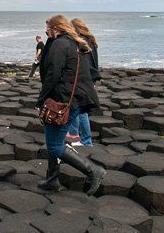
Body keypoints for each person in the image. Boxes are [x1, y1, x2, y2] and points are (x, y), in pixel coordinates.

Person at [36, 14, 105, 194]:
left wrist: (41, 100)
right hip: (74, 97)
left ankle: (94, 170)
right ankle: (52, 180)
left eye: (47, 30)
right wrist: (50, 38)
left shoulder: (61, 44)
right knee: (53, 141)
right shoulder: (71, 43)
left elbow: (52, 75)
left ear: (55, 28)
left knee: (55, 145)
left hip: (65, 100)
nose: (46, 33)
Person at [67, 18, 101, 147]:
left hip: (83, 79)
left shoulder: (81, 41)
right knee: (76, 106)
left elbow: (83, 63)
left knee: (81, 109)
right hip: (90, 77)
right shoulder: (91, 41)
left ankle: (86, 141)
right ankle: (74, 133)